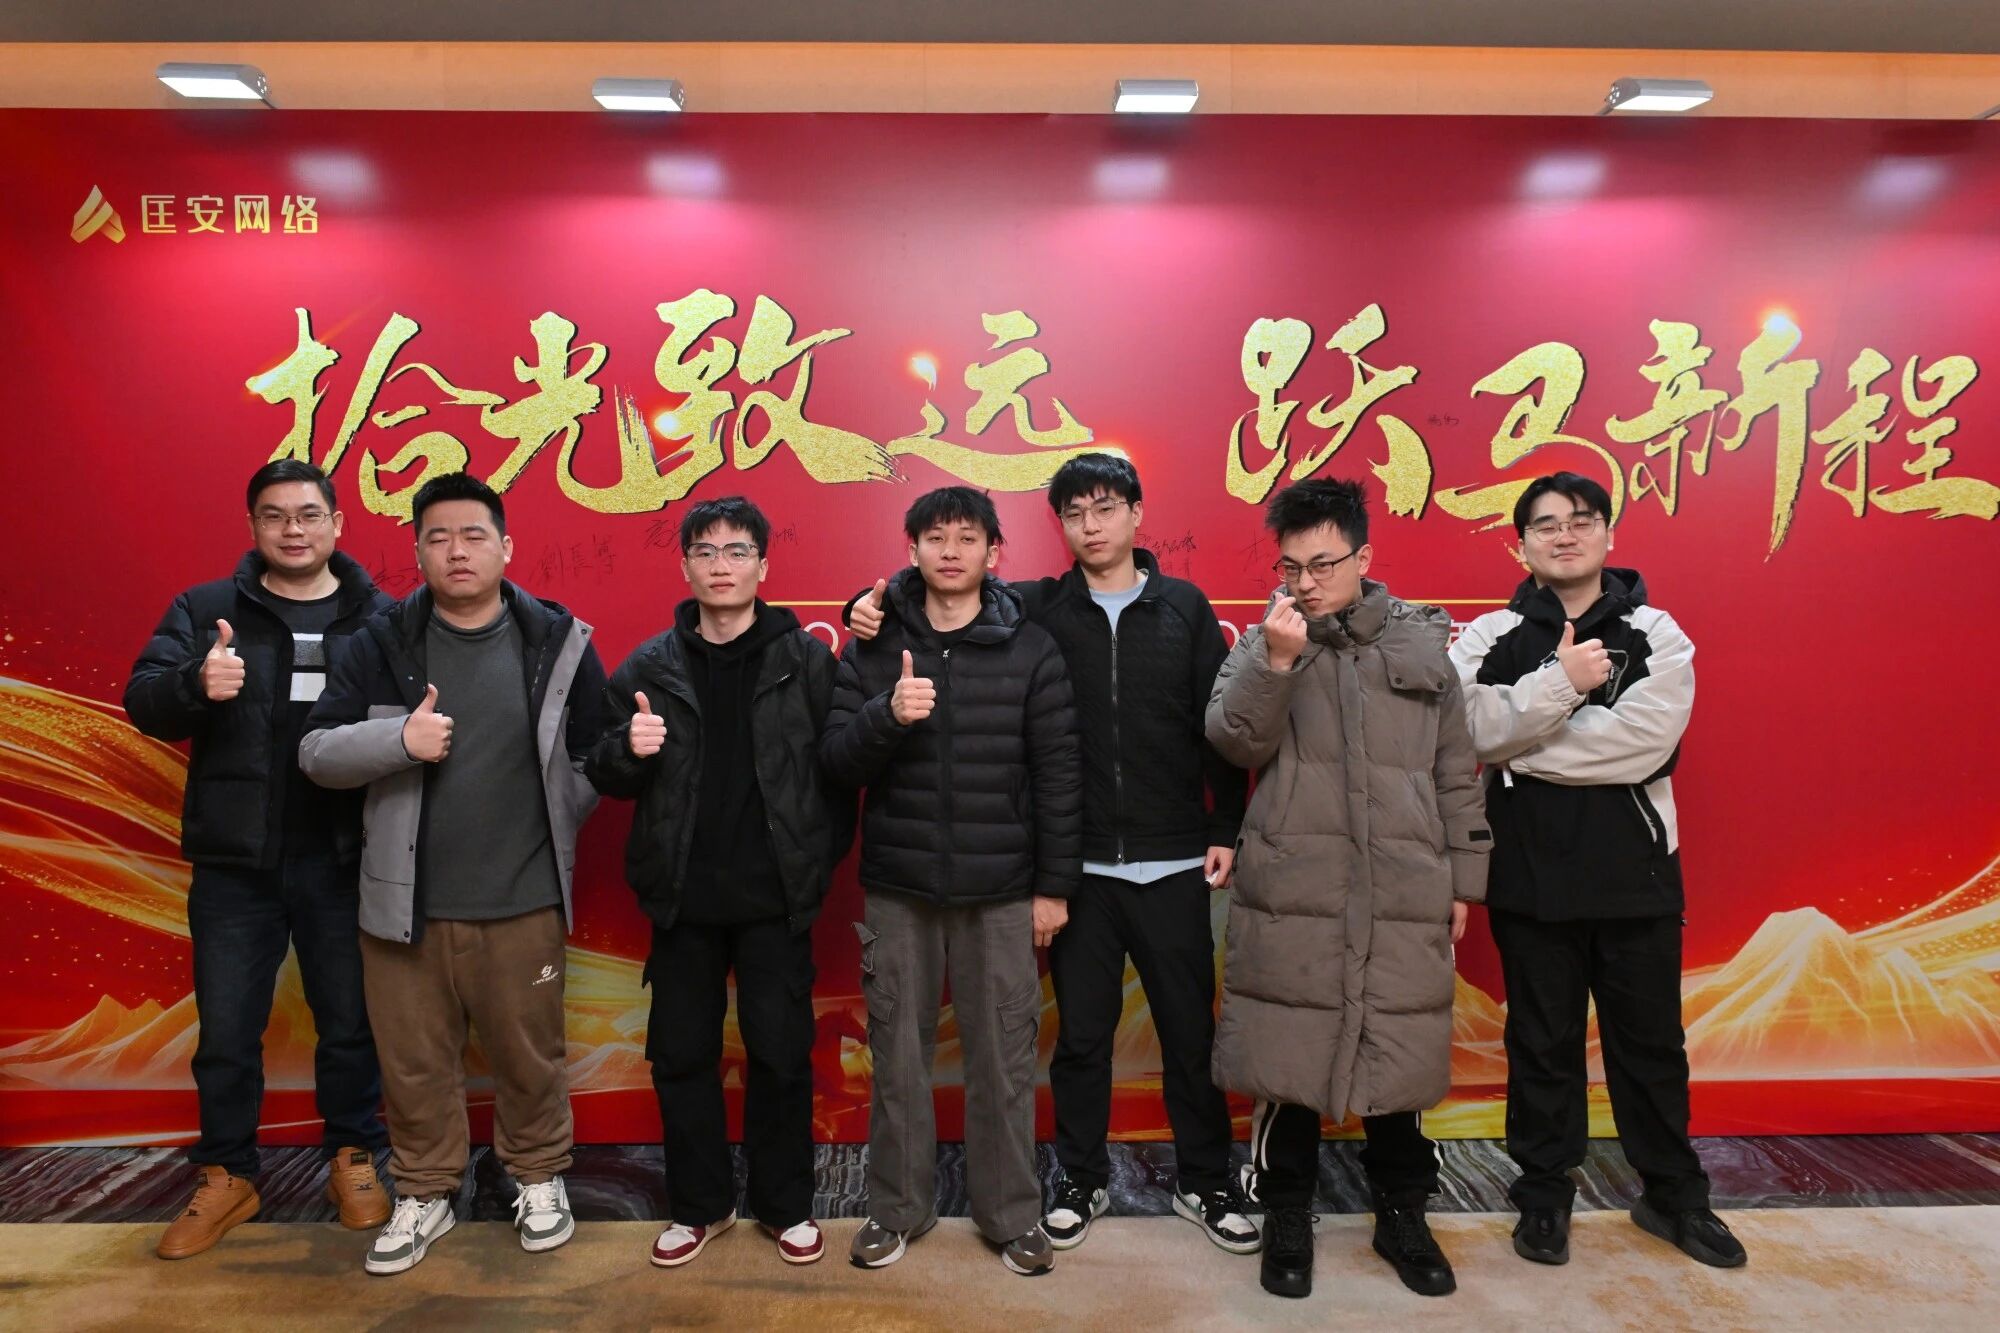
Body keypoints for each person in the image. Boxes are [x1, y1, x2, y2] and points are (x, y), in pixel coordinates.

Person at [846, 453, 1255, 1254]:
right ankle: (1080, 1178)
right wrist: (868, 604)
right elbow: (940, 593)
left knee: (1189, 1034)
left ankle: (1206, 1180)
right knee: (1081, 1040)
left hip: (1174, 858)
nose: (1091, 525)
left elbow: (1219, 721)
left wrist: (1225, 823)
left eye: (1105, 508)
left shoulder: (1184, 606)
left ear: (1136, 513)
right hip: (1081, 869)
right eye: (1074, 513)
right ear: (1058, 525)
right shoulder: (1038, 608)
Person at [299, 471, 606, 1275]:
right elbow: (317, 752)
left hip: (525, 900)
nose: (456, 550)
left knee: (529, 1056)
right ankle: (426, 1189)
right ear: (417, 553)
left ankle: (537, 1175)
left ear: (506, 547)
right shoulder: (379, 644)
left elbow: (595, 750)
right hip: (404, 907)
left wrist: (562, 813)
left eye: (473, 535)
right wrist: (399, 740)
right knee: (414, 1063)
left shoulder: (558, 640)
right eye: (438, 537)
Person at [1447, 471, 1745, 1270]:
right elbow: (1466, 727)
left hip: (1634, 876)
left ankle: (1673, 1196)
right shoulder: (1490, 635)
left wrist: (1522, 743)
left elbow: (1642, 744)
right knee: (1540, 1044)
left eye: (1582, 520)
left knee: (1650, 1047)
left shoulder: (1656, 632)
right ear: (1521, 544)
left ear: (1609, 533)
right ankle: (1544, 1195)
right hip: (1529, 875)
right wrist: (1558, 687)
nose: (1565, 534)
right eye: (1546, 524)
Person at [1205, 477, 1489, 1300]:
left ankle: (1403, 1213)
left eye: (1323, 564)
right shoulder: (1266, 638)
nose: (1306, 582)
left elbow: (1454, 770)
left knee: (1397, 1056)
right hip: (1297, 884)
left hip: (1403, 882)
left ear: (1364, 556)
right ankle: (1288, 1213)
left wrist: (1463, 877)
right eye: (1291, 566)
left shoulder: (1422, 643)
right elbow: (1232, 739)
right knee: (1289, 1058)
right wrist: (1277, 661)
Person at [125, 459, 393, 1259]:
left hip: (346, 857)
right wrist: (193, 682)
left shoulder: (381, 618)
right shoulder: (207, 608)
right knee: (228, 1030)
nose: (293, 530)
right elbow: (143, 699)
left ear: (337, 523)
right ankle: (228, 1172)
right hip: (235, 862)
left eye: (309, 514)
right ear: (253, 527)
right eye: (275, 516)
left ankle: (353, 1155)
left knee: (351, 1022)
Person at [820, 486, 1081, 1276]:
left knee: (1004, 1058)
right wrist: (888, 714)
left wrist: (1052, 888)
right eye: (935, 537)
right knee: (897, 1056)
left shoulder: (1031, 648)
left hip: (1001, 890)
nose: (951, 551)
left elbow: (1059, 775)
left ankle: (1012, 1215)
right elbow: (835, 761)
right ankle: (897, 1208)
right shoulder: (872, 643)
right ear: (912, 550)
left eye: (968, 537)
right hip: (899, 887)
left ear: (994, 552)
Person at [586, 496, 849, 1269]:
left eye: (737, 551)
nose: (721, 565)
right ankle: (699, 1206)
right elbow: (600, 766)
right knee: (681, 1055)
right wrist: (627, 748)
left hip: (775, 899)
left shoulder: (806, 660)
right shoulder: (651, 665)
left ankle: (785, 1205)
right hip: (684, 898)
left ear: (763, 564)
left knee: (781, 1053)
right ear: (685, 565)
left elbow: (840, 771)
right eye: (706, 551)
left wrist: (812, 858)